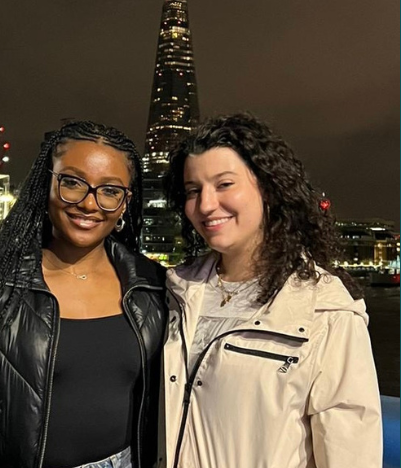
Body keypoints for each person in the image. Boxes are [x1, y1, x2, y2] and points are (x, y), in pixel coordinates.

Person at [0, 121, 167, 468]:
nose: (90, 204)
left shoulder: (152, 286)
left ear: (125, 203)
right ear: (47, 184)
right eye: (72, 183)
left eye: (110, 190)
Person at [159, 113, 382, 468]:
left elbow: (350, 449)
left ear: (268, 189)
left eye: (224, 184)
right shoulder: (175, 292)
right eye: (192, 191)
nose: (205, 205)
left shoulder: (324, 309)